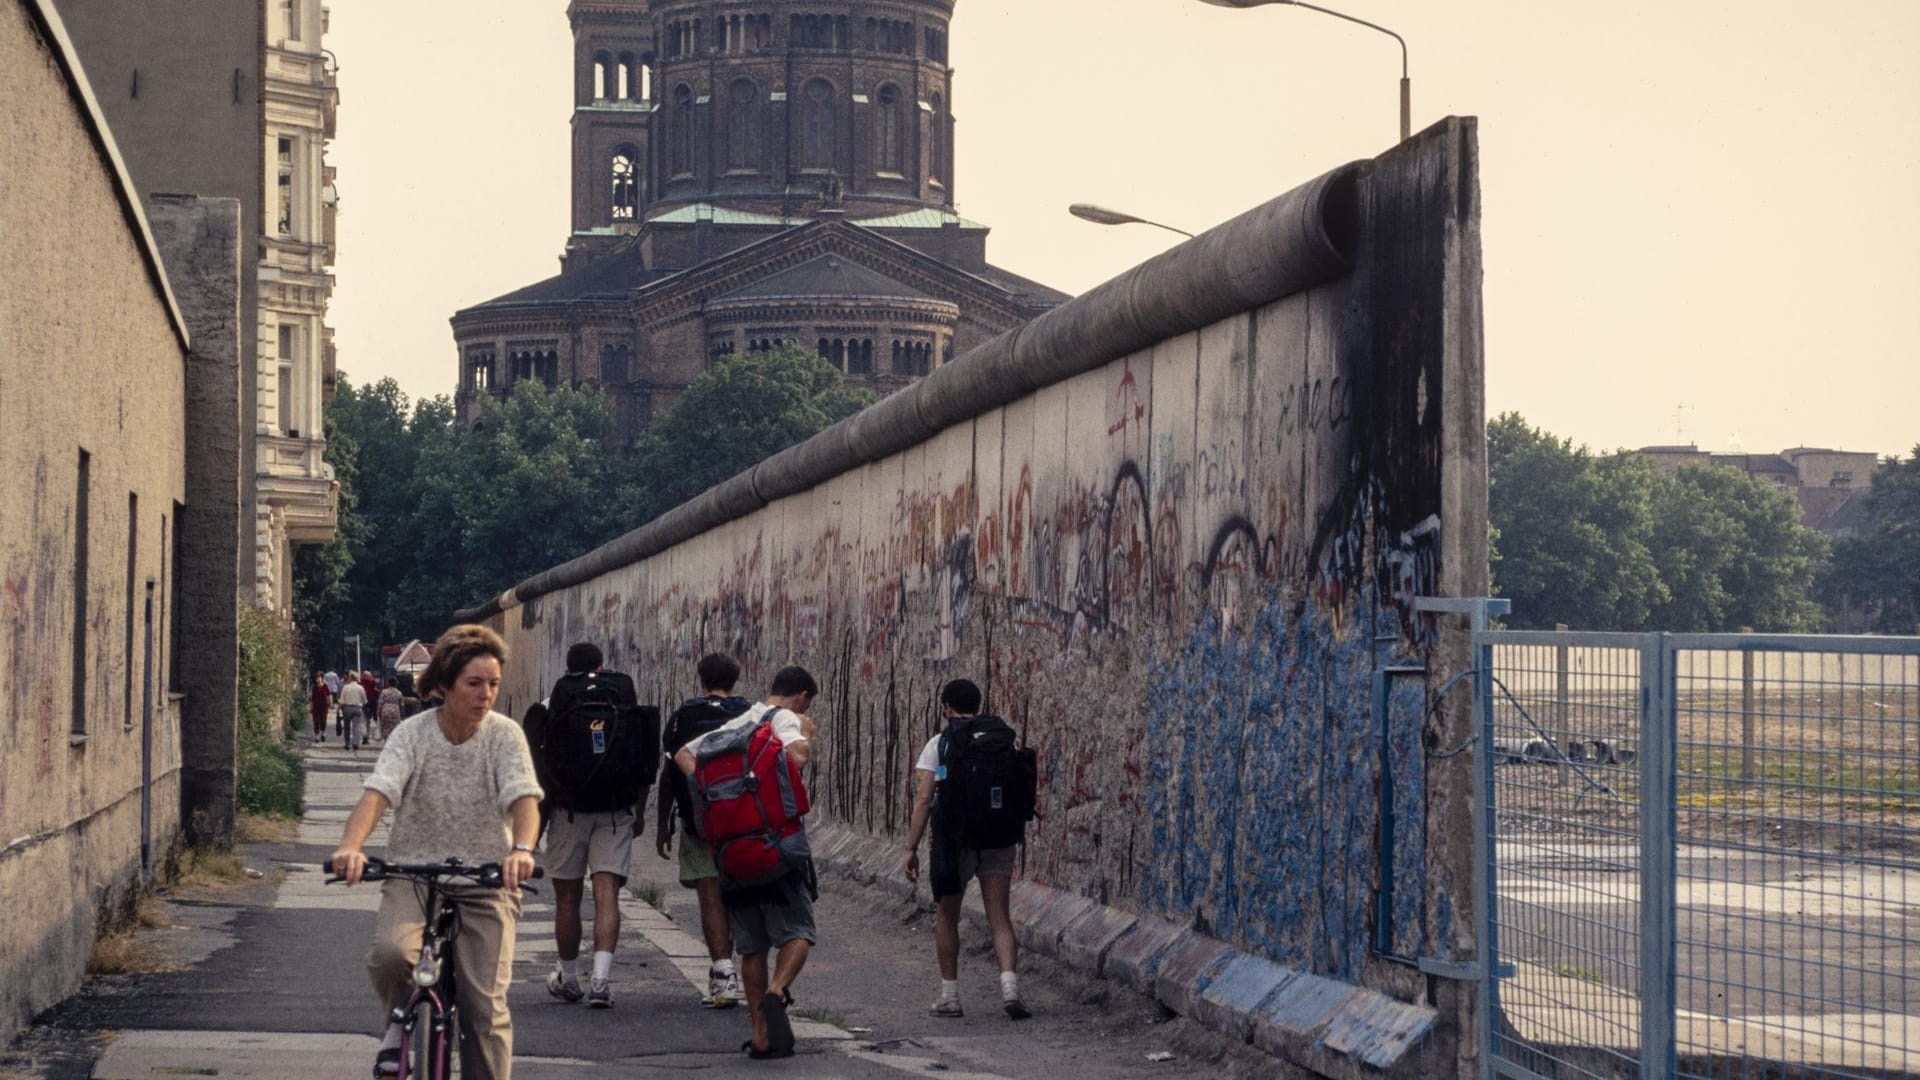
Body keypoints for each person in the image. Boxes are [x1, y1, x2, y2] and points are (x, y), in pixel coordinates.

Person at [330, 624, 542, 1080]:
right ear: (444, 684)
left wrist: (521, 850)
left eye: (494, 684)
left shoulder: (505, 736)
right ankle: (397, 1022)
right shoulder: (412, 735)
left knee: (484, 1010)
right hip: (414, 872)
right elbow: (377, 794)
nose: (486, 694)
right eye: (474, 683)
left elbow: (524, 800)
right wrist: (351, 847)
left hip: (487, 879)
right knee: (391, 954)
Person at [675, 665, 819, 1060]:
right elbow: (799, 756)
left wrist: (721, 797)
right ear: (802, 696)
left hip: (732, 853)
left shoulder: (738, 722)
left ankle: (760, 1035)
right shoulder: (785, 718)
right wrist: (805, 731)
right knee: (798, 932)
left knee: (752, 948)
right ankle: (777, 991)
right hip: (776, 847)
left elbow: (684, 755)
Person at [529, 642, 650, 1009]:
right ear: (601, 666)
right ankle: (601, 980)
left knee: (567, 898)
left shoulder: (552, 706)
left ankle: (568, 977)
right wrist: (640, 811)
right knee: (606, 893)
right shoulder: (622, 699)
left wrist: (534, 828)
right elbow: (644, 762)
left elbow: (535, 771)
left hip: (567, 811)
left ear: (567, 671)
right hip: (615, 809)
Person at [902, 678, 1031, 1020]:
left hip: (955, 840)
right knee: (999, 917)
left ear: (946, 707)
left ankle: (950, 996)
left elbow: (925, 798)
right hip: (999, 837)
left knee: (947, 915)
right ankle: (1010, 989)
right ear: (978, 703)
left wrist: (911, 847)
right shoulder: (1002, 738)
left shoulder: (939, 744)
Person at [656, 652, 751, 1008]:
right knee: (740, 897)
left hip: (700, 822)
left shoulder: (684, 716)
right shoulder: (751, 714)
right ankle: (750, 971)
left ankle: (724, 973)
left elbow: (670, 774)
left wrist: (664, 823)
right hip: (744, 822)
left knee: (710, 895)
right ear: (735, 680)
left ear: (700, 680)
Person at [336, 673, 369, 753]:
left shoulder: (346, 687)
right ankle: (355, 743)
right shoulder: (361, 688)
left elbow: (342, 700)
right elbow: (365, 701)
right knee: (356, 727)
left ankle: (347, 744)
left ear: (351, 678)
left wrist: (338, 709)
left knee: (347, 727)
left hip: (347, 708)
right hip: (357, 708)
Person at [308, 672, 331, 743]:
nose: (317, 679)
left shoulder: (326, 686)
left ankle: (323, 733)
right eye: (316, 678)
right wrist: (311, 707)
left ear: (322, 678)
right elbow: (312, 698)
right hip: (316, 706)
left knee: (323, 720)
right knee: (316, 721)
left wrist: (330, 703)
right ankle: (317, 736)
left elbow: (329, 695)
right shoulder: (314, 687)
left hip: (324, 706)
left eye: (319, 677)